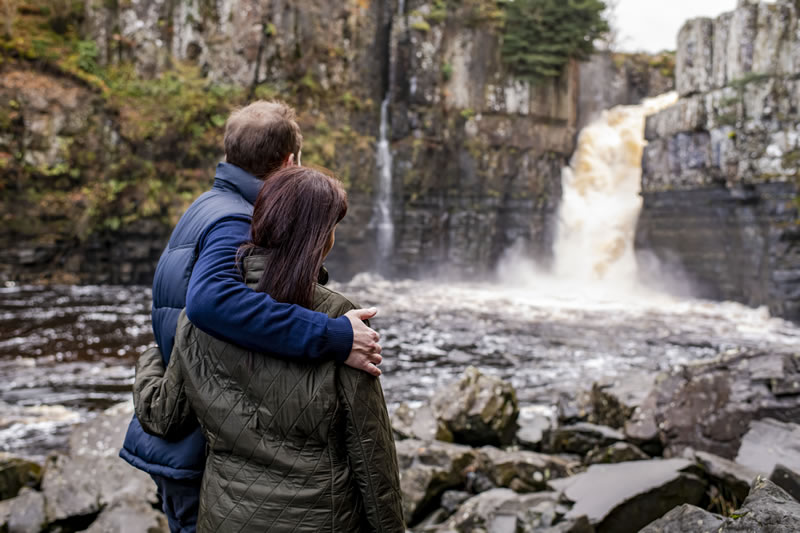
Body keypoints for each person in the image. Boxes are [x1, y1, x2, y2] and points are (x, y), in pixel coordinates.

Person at [119, 101, 384, 533]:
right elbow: (208, 304)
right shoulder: (235, 222)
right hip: (200, 442)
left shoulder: (206, 206)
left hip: (186, 420)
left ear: (229, 153)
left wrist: (152, 360)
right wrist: (335, 335)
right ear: (288, 161)